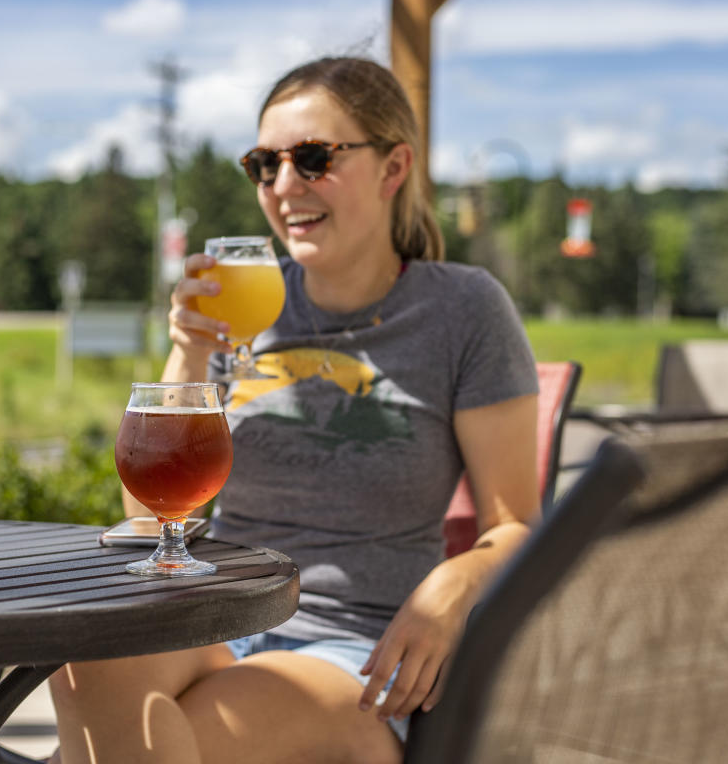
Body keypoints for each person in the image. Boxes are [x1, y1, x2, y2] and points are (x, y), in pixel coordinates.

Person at [48, 55, 539, 764]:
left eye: (313, 159)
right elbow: (152, 513)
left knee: (183, 734)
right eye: (263, 164)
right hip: (219, 616)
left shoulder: (463, 310)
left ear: (393, 168)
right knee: (79, 665)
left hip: (359, 649)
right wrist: (186, 350)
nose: (284, 187)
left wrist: (453, 585)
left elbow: (515, 523)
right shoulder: (243, 300)